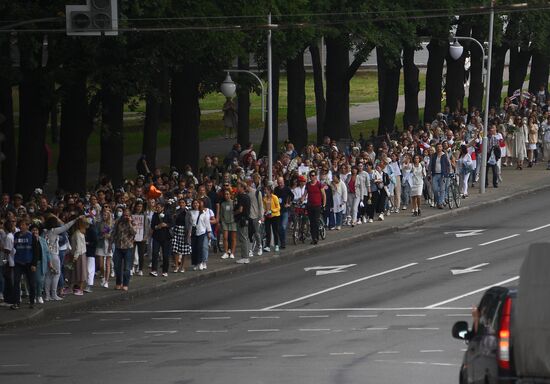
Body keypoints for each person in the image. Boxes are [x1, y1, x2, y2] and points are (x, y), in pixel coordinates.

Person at [42, 214, 79, 300]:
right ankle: (54, 294)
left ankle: (47, 295)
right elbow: (66, 226)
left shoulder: (44, 232)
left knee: (48, 275)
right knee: (56, 274)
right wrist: (75, 220)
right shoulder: (54, 231)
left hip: (47, 255)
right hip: (54, 255)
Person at [11, 218, 38, 309]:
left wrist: (34, 264)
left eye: (24, 225)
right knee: (16, 282)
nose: (22, 226)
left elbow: (35, 251)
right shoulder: (16, 235)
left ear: (27, 226)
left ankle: (32, 301)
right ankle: (16, 303)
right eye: (21, 225)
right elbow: (15, 246)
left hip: (29, 263)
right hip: (18, 262)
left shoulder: (32, 236)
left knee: (31, 283)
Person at [112, 208, 136, 291]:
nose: (125, 216)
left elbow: (134, 233)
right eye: (124, 215)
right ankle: (118, 283)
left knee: (127, 268)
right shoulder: (118, 221)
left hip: (128, 247)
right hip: (118, 246)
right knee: (117, 266)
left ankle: (125, 284)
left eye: (127, 215)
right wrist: (111, 243)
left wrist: (129, 222)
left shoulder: (132, 222)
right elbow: (114, 232)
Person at [186, 199, 212, 270]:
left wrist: (209, 232)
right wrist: (189, 232)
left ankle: (201, 262)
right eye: (194, 203)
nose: (196, 204)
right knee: (194, 248)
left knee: (200, 247)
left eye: (197, 203)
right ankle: (195, 263)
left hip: (202, 232)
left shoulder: (203, 213)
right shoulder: (190, 212)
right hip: (193, 232)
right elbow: (189, 223)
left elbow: (207, 223)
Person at [302, 170, 326, 245]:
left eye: (313, 175)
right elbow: (305, 194)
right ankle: (313, 237)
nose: (312, 177)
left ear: (315, 176)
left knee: (315, 221)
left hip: (317, 205)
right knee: (311, 222)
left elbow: (323, 195)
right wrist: (302, 199)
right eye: (310, 176)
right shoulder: (308, 185)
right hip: (310, 205)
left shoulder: (319, 184)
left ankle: (316, 237)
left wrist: (324, 204)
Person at [150, 202, 173, 277]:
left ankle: (165, 270)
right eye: (156, 207)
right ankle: (154, 270)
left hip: (166, 237)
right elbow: (152, 226)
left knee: (165, 255)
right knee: (155, 253)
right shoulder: (155, 215)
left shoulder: (168, 214)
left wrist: (166, 225)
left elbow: (172, 223)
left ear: (163, 208)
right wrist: (157, 226)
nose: (157, 209)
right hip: (156, 237)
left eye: (159, 207)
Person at [30, 223, 51, 304]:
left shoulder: (42, 240)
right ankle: (34, 296)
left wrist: (50, 262)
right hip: (32, 263)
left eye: (36, 230)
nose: (35, 231)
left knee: (40, 281)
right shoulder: (30, 239)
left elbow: (47, 252)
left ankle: (39, 295)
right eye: (33, 230)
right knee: (33, 281)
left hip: (41, 262)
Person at [95, 208, 114, 288]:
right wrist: (102, 236)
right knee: (101, 265)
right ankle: (103, 276)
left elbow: (114, 236)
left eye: (106, 215)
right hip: (100, 245)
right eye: (103, 215)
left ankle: (106, 281)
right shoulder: (99, 224)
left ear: (109, 216)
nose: (104, 216)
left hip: (109, 245)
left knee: (107, 264)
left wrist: (110, 237)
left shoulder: (112, 225)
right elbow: (96, 235)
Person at [172, 198, 191, 272]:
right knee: (175, 249)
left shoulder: (188, 212)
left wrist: (189, 232)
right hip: (176, 230)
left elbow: (190, 223)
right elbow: (173, 221)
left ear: (185, 204)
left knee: (184, 250)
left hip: (184, 231)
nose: (182, 204)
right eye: (180, 203)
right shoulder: (176, 212)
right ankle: (176, 266)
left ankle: (182, 266)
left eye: (183, 202)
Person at [70, 217, 89, 296]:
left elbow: (78, 246)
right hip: (81, 254)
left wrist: (75, 256)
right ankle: (79, 288)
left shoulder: (77, 233)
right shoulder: (81, 232)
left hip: (79, 255)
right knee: (81, 272)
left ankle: (80, 289)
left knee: (80, 272)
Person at [234, 182, 251, 264]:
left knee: (243, 238)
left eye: (238, 187)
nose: (237, 188)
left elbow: (240, 209)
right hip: (246, 219)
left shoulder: (241, 197)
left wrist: (234, 213)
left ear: (242, 188)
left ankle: (245, 257)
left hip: (241, 219)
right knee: (245, 237)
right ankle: (246, 255)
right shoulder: (247, 197)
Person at [274, 176, 293, 249]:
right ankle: (281, 242)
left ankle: (283, 243)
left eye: (281, 183)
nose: (280, 184)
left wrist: (289, 203)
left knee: (283, 227)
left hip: (285, 210)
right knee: (279, 228)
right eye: (279, 183)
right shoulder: (276, 189)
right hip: (278, 211)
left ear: (283, 182)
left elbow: (292, 196)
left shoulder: (287, 189)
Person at [431, 143, 451, 209]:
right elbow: (430, 165)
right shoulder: (433, 156)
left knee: (442, 189)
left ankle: (440, 203)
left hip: (442, 174)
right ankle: (439, 200)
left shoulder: (444, 155)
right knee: (435, 189)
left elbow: (448, 165)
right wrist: (428, 173)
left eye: (440, 147)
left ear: (442, 148)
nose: (439, 148)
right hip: (435, 174)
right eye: (438, 147)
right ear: (436, 148)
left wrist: (447, 172)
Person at [218, 190, 237, 260]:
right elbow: (221, 214)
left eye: (228, 194)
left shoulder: (233, 203)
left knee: (233, 238)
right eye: (225, 194)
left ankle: (232, 253)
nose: (226, 195)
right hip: (225, 222)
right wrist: (222, 222)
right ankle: (226, 252)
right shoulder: (222, 204)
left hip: (233, 222)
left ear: (230, 195)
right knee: (225, 237)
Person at [262, 185, 281, 252]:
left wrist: (272, 210)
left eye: (266, 190)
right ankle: (267, 246)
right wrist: (265, 212)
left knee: (275, 231)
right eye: (265, 190)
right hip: (267, 216)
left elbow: (278, 207)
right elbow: (263, 207)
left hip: (275, 216)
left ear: (269, 191)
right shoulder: (264, 198)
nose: (265, 191)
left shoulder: (274, 197)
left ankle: (276, 245)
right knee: (268, 231)